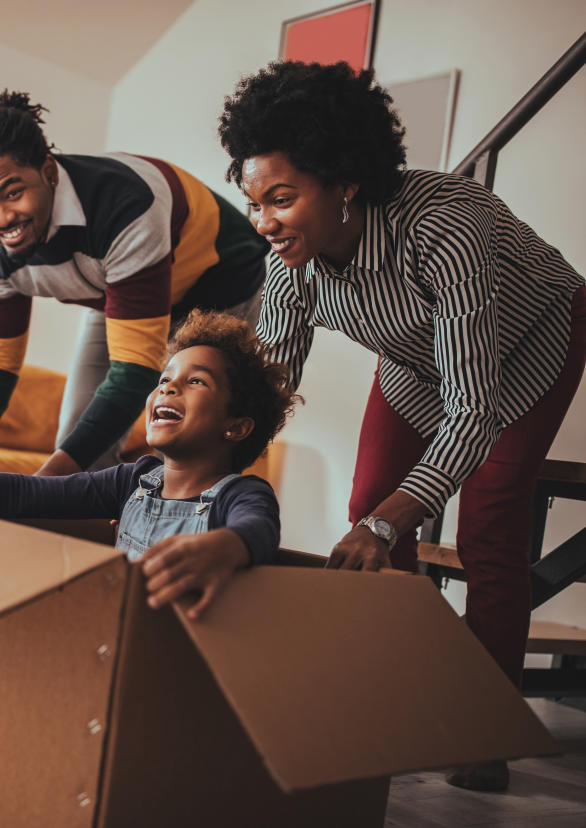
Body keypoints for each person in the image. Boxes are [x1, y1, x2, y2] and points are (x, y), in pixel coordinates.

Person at [218, 61, 586, 791]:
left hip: (531, 344)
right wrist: (203, 468)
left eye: (281, 199)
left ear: (345, 181)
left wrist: (390, 523)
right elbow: (269, 388)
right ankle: (403, 698)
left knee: (487, 523)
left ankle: (482, 728)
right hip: (417, 362)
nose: (264, 222)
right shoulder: (292, 264)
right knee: (368, 509)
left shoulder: (446, 229)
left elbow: (474, 408)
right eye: (254, 201)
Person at [0, 311, 299, 617]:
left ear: (237, 427)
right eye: (164, 380)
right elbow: (27, 493)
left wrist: (229, 546)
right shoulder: (135, 479)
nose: (167, 389)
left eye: (195, 381)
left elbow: (260, 530)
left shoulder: (240, 495)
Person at [0, 90, 269, 476]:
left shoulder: (124, 203)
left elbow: (134, 369)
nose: (0, 218)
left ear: (49, 173)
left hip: (219, 281)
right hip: (120, 294)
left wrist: (42, 485)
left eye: (13, 193)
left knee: (198, 441)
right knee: (78, 445)